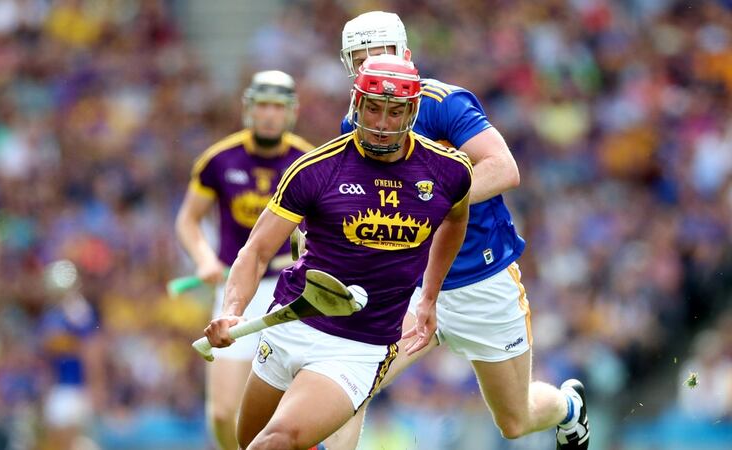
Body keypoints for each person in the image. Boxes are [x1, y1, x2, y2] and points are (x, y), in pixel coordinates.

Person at [324, 11, 590, 450]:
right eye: (361, 56)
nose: (374, 65)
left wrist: (435, 203)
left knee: (514, 420)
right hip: (407, 286)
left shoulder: (444, 103)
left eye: (380, 52)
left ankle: (567, 408)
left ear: (405, 55)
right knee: (349, 388)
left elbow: (504, 168)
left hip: (478, 278)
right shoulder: (353, 124)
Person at [203, 54, 473, 450]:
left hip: (357, 347)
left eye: (395, 112)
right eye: (373, 108)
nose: (382, 124)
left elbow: (454, 220)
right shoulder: (315, 169)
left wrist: (430, 294)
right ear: (356, 104)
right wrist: (231, 310)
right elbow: (256, 252)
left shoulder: (449, 173)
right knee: (249, 444)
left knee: (274, 442)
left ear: (412, 111)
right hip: (286, 326)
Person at [174, 70, 314, 450]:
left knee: (292, 404)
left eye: (278, 107)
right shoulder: (219, 160)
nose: (269, 115)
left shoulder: (308, 160)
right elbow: (188, 219)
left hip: (289, 290)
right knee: (221, 412)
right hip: (238, 288)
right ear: (247, 109)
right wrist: (204, 259)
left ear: (293, 112)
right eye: (262, 106)